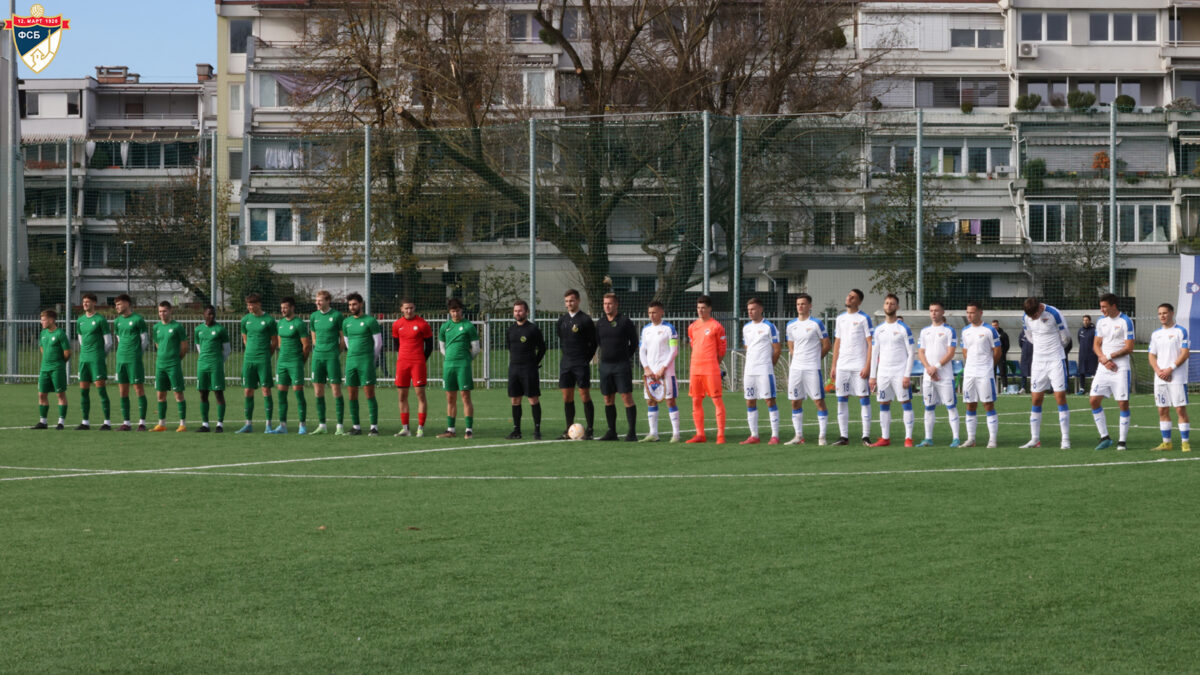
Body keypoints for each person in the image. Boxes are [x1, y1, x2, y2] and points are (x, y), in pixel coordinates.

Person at [1020, 296, 1072, 449]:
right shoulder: (1026, 317)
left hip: (1056, 360)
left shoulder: (1054, 313)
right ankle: (1035, 439)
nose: (1033, 318)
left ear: (1040, 308)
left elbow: (1066, 337)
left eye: (1034, 315)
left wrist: (1054, 349)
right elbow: (1028, 335)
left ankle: (1065, 439)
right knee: (1036, 399)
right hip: (1038, 362)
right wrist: (1041, 349)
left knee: (1060, 397)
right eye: (1030, 316)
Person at [1089, 294, 1135, 451]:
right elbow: (1096, 344)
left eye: (1104, 307)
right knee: (1094, 400)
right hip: (1104, 367)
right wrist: (1104, 359)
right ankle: (1105, 437)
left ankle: (1122, 441)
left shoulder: (1125, 321)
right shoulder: (1101, 322)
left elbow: (1129, 347)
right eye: (1101, 306)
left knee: (1122, 403)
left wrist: (1109, 357)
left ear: (1113, 306)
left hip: (1120, 368)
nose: (1101, 309)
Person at [868, 294, 915, 447]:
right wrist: (872, 376)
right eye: (887, 303)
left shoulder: (903, 328)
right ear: (884, 306)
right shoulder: (879, 329)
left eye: (892, 303)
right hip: (883, 373)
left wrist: (907, 374)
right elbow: (875, 353)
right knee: (883, 403)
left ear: (897, 307)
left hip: (899, 372)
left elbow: (911, 352)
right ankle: (885, 438)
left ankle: (908, 438)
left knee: (905, 402)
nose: (889, 306)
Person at [784, 293, 830, 445]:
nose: (800, 306)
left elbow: (826, 344)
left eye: (803, 304)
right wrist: (794, 354)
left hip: (812, 368)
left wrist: (816, 359)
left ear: (810, 306)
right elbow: (790, 344)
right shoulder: (791, 325)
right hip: (796, 368)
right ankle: (798, 436)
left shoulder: (817, 323)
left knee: (818, 401)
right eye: (798, 304)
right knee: (795, 402)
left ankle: (822, 436)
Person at [830, 288, 873, 446]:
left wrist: (867, 366)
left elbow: (870, 343)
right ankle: (844, 437)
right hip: (842, 366)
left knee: (864, 399)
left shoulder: (864, 318)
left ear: (859, 302)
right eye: (848, 295)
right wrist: (834, 365)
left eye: (852, 297)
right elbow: (837, 342)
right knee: (841, 399)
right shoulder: (840, 318)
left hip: (859, 366)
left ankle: (866, 436)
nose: (848, 298)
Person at [595, 293, 640, 441]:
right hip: (606, 366)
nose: (607, 306)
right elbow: (599, 342)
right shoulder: (600, 323)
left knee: (626, 397)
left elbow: (633, 343)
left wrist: (624, 356)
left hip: (621, 365)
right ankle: (611, 432)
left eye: (610, 303)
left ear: (616, 305)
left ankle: (632, 432)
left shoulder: (625, 321)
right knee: (608, 398)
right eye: (605, 303)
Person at [916, 301, 960, 447]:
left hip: (945, 376)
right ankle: (928, 438)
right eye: (931, 310)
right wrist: (929, 368)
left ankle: (956, 438)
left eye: (936, 310)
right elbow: (921, 352)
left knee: (951, 406)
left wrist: (937, 367)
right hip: (928, 376)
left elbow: (951, 352)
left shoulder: (949, 330)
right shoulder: (924, 331)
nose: (933, 313)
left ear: (942, 312)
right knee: (928, 407)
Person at [1148, 303, 1190, 452]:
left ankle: (1185, 443)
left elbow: (1185, 353)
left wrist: (1170, 369)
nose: (1162, 316)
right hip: (1160, 378)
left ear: (1172, 313)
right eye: (1160, 313)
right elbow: (1151, 355)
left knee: (1180, 409)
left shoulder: (1181, 331)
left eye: (1165, 313)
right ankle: (1167, 443)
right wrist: (1159, 371)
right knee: (1162, 410)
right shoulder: (1155, 334)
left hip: (1176, 377)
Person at [740, 297, 782, 445]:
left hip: (764, 369)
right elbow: (747, 347)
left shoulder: (769, 327)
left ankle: (775, 435)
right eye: (749, 310)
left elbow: (777, 349)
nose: (750, 312)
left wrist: (769, 366)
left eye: (753, 309)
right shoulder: (746, 327)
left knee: (769, 400)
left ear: (760, 309)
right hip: (749, 370)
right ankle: (754, 435)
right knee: (750, 401)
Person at [687, 294, 727, 444]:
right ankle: (699, 434)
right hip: (695, 369)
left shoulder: (716, 326)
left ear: (710, 309)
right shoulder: (692, 327)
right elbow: (693, 344)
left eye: (703, 308)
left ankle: (720, 435)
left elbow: (722, 349)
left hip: (710, 369)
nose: (700, 310)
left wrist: (713, 363)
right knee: (696, 401)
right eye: (698, 308)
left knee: (716, 400)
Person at [557, 289, 597, 440]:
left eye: (572, 301)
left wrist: (585, 359)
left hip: (581, 364)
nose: (569, 304)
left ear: (578, 301)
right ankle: (568, 429)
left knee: (584, 395)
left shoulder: (585, 320)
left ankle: (590, 429)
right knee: (567, 397)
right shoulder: (562, 321)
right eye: (567, 301)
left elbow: (593, 343)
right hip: (566, 363)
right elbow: (562, 339)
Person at [437, 298, 479, 438]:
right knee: (450, 397)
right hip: (449, 365)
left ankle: (468, 430)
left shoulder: (468, 326)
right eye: (453, 311)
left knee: (465, 396)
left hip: (463, 366)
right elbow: (442, 347)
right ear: (449, 312)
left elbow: (475, 348)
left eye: (458, 311)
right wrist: (449, 357)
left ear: (462, 310)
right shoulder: (445, 327)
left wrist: (466, 360)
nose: (455, 314)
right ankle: (451, 430)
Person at [391, 298, 434, 437]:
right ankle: (405, 428)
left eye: (411, 308)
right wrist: (403, 357)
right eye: (406, 308)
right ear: (401, 309)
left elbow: (430, 346)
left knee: (420, 395)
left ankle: (420, 428)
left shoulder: (422, 324)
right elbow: (396, 344)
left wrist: (421, 359)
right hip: (402, 364)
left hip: (417, 364)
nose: (409, 311)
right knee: (402, 396)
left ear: (415, 308)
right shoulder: (397, 325)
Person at [640, 300, 681, 442]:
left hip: (666, 373)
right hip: (650, 373)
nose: (652, 315)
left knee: (670, 401)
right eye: (650, 313)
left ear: (661, 312)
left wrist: (663, 368)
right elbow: (642, 351)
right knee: (650, 401)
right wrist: (646, 368)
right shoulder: (645, 330)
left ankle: (676, 434)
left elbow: (674, 351)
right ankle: (653, 434)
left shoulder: (669, 329)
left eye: (654, 312)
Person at [342, 292, 383, 436]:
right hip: (351, 361)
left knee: (369, 394)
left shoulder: (370, 321)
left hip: (366, 361)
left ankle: (374, 427)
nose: (352, 307)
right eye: (350, 305)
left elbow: (378, 343)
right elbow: (347, 341)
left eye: (354, 304)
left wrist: (372, 358)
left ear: (361, 304)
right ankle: (356, 426)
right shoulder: (346, 322)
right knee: (352, 395)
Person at [236, 293, 278, 433]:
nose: (250, 307)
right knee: (248, 390)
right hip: (249, 360)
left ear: (259, 304)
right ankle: (248, 424)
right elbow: (245, 339)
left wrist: (266, 355)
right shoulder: (245, 320)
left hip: (263, 360)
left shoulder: (269, 320)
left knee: (266, 390)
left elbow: (274, 342)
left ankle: (268, 424)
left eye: (252, 304)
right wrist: (250, 352)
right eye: (248, 304)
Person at [962, 302, 1002, 448]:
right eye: (967, 312)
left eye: (972, 312)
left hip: (985, 371)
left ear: (980, 313)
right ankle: (971, 439)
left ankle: (992, 439)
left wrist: (989, 366)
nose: (969, 315)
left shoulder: (990, 330)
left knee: (988, 404)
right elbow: (965, 350)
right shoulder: (965, 330)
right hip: (969, 372)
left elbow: (997, 351)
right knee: (970, 404)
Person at [506, 299, 546, 440]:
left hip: (529, 369)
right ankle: (517, 431)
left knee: (533, 399)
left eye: (520, 310)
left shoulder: (533, 329)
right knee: (515, 400)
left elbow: (542, 348)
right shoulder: (510, 329)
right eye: (516, 311)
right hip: (514, 369)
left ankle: (537, 430)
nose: (518, 313)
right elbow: (510, 347)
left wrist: (534, 362)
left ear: (527, 312)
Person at [272, 296, 311, 434]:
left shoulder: (299, 323)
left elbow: (306, 346)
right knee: (281, 395)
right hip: (282, 363)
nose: (283, 310)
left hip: (295, 362)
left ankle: (302, 425)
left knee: (298, 394)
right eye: (282, 307)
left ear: (292, 308)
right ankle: (282, 425)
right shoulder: (280, 323)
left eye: (286, 307)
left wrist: (301, 362)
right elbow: (280, 342)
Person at [309, 290, 345, 435]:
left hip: (331, 357)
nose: (317, 303)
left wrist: (335, 352)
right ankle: (322, 425)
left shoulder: (336, 316)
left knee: (335, 390)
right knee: (318, 391)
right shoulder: (314, 316)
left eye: (320, 300)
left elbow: (343, 339)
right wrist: (319, 348)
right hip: (317, 357)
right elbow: (314, 338)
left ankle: (339, 426)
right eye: (316, 300)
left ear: (328, 301)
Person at [75, 292, 112, 430]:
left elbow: (108, 342)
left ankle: (107, 422)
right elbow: (80, 339)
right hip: (84, 359)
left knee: (101, 390)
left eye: (88, 302)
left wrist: (101, 356)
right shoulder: (80, 320)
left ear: (94, 303)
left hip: (97, 359)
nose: (85, 304)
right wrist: (85, 351)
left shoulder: (100, 320)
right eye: (84, 301)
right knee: (84, 391)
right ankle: (85, 422)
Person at [113, 294, 149, 431]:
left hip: (134, 360)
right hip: (120, 359)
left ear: (127, 304)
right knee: (123, 391)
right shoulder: (117, 322)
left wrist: (137, 354)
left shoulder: (138, 319)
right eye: (116, 305)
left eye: (119, 304)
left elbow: (144, 340)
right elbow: (118, 339)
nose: (117, 307)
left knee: (138, 389)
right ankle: (126, 422)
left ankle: (142, 423)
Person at [150, 300, 188, 432]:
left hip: (173, 365)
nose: (162, 314)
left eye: (164, 311)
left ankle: (182, 424)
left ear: (170, 311)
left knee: (178, 394)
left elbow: (184, 347)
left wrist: (176, 359)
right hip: (160, 365)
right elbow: (157, 345)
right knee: (160, 395)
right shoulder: (156, 328)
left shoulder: (177, 327)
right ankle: (162, 424)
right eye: (160, 311)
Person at [194, 304, 231, 432]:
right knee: (203, 393)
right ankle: (205, 424)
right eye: (209, 313)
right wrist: (205, 358)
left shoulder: (220, 329)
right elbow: (198, 346)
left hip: (216, 365)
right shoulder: (198, 329)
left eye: (213, 313)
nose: (211, 316)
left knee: (218, 393)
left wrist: (219, 361)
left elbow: (227, 350)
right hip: (202, 365)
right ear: (203, 314)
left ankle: (219, 424)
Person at [32, 309, 70, 430]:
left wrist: (58, 363)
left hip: (57, 369)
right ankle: (43, 422)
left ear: (51, 320)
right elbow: (42, 348)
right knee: (42, 394)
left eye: (43, 320)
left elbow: (67, 353)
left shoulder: (60, 333)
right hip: (44, 369)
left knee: (60, 394)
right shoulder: (43, 333)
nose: (41, 322)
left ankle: (61, 422)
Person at [1076, 314, 1097, 394]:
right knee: (1082, 372)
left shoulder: (1094, 330)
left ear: (1090, 321)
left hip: (1092, 355)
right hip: (1082, 355)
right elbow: (1079, 341)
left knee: (1093, 372)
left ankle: (1094, 388)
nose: (1085, 322)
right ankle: (1082, 389)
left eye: (1087, 320)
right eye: (1084, 320)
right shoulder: (1080, 330)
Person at [991, 319, 1010, 391]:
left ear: (998, 325)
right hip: (992, 356)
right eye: (993, 326)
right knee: (992, 372)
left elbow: (1007, 345)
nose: (994, 327)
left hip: (1001, 356)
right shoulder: (989, 334)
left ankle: (1005, 388)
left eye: (995, 325)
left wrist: (1002, 353)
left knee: (1002, 371)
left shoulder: (1003, 334)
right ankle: (992, 387)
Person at [1018, 329, 1033, 393]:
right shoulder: (1022, 333)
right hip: (1024, 355)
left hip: (1034, 354)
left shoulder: (1035, 331)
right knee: (1023, 371)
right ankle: (1023, 387)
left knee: (1034, 371)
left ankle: (1033, 387)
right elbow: (1020, 343)